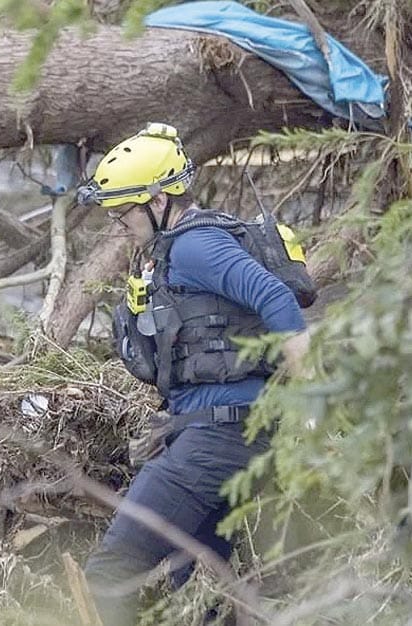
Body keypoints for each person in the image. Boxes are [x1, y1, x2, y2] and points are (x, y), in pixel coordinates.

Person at [76, 123, 312, 625]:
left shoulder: (195, 246)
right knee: (203, 591)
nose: (119, 224)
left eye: (124, 212)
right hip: (215, 432)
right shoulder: (173, 253)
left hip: (220, 437)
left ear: (159, 198)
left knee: (111, 569)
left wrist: (312, 401)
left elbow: (275, 297)